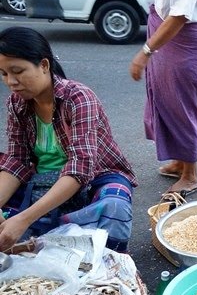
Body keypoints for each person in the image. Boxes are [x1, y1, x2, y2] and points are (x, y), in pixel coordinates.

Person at [0, 27, 137, 252]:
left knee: (115, 207)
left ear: (44, 65)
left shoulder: (78, 98)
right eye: (4, 74)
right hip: (43, 180)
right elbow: (16, 161)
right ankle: (42, 231)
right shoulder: (17, 104)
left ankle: (106, 267)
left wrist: (24, 218)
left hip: (95, 177)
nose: (11, 81)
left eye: (18, 71)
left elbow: (80, 169)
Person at [129, 0, 197, 197]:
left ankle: (191, 176)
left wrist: (145, 52)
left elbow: (180, 15)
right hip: (169, 43)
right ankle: (180, 162)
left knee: (184, 109)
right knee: (168, 103)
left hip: (186, 45)